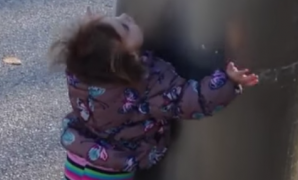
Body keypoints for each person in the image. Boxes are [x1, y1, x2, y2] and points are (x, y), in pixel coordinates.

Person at [50, 9, 259, 179]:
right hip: (110, 166)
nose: (126, 16)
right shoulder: (146, 82)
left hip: (78, 152)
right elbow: (190, 100)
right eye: (124, 27)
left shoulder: (82, 73)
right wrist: (227, 81)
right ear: (123, 57)